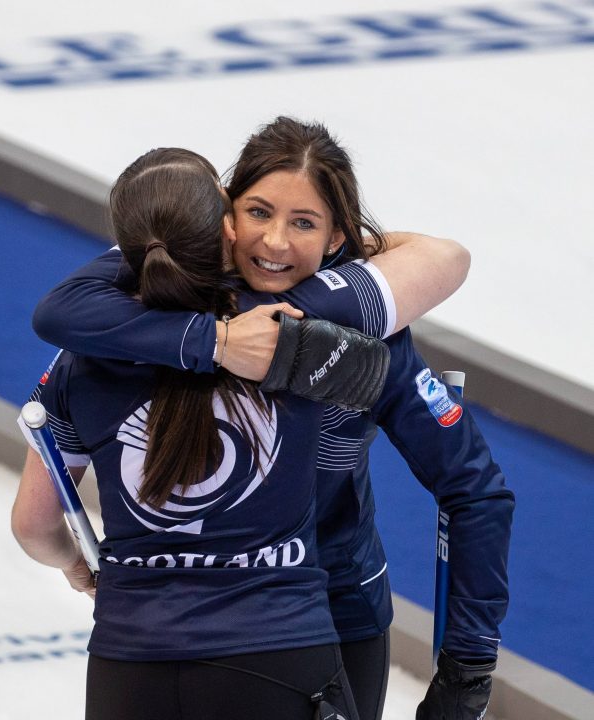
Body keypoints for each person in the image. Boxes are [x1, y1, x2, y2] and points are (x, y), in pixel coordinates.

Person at [30, 117, 512, 720]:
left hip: (334, 610)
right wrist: (220, 337)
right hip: (272, 640)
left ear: (338, 237)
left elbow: (474, 490)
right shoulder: (141, 316)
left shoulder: (364, 333)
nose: (276, 244)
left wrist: (467, 668)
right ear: (224, 216)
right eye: (259, 213)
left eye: (303, 223)